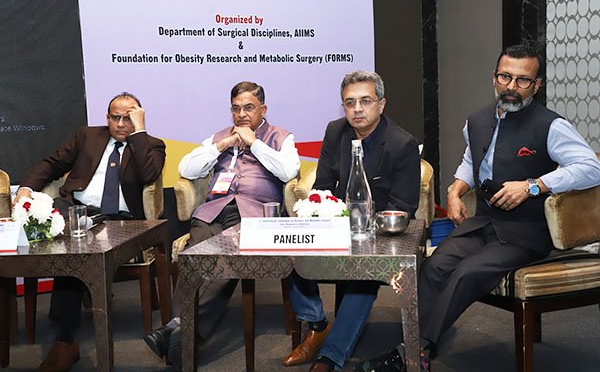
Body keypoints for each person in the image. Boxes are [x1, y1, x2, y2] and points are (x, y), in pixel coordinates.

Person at [357, 43, 600, 372]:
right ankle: (415, 346)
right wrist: (456, 190)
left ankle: (412, 355)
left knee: (466, 273)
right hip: (483, 223)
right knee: (434, 267)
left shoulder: (551, 126)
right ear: (494, 78)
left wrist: (532, 185)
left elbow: (591, 168)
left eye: (523, 80)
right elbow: (472, 162)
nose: (512, 86)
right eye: (505, 77)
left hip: (524, 234)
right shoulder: (478, 120)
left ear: (537, 85)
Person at [143, 81, 300, 370]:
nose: (242, 114)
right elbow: (186, 168)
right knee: (194, 260)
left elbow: (289, 171)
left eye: (249, 108)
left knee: (226, 261)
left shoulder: (281, 136)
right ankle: (182, 331)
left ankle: (177, 328)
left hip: (253, 213)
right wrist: (224, 144)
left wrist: (254, 143)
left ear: (263, 109)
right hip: (212, 211)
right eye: (236, 109)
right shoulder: (219, 136)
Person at [15, 92, 166, 372]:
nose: (121, 124)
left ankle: (64, 342)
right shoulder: (87, 136)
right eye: (115, 117)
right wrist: (26, 188)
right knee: (62, 245)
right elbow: (52, 163)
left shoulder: (151, 145)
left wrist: (139, 131)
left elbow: (149, 175)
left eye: (128, 118)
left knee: (75, 252)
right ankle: (64, 325)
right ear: (107, 118)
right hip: (74, 210)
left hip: (117, 221)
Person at [282, 70, 421, 372]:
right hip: (338, 227)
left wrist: (362, 229)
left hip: (378, 236)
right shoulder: (336, 132)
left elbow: (404, 207)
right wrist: (326, 216)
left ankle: (330, 357)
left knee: (362, 275)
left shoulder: (402, 144)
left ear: (381, 104)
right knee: (289, 250)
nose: (357, 109)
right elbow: (323, 187)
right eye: (350, 102)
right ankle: (318, 325)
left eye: (365, 101)